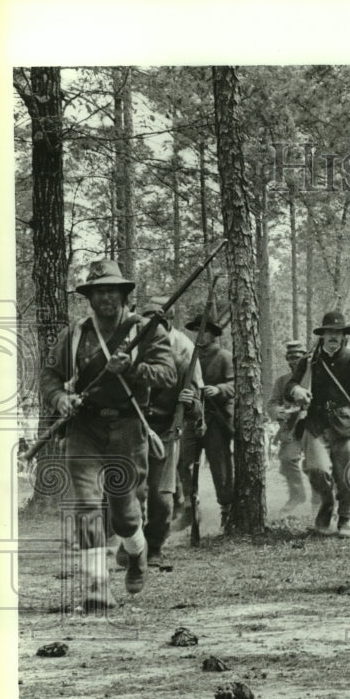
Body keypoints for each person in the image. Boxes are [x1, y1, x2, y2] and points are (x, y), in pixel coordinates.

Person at [40, 260, 176, 612]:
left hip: (129, 429)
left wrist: (133, 367)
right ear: (89, 297)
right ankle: (97, 588)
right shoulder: (74, 335)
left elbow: (167, 375)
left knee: (125, 516)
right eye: (99, 291)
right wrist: (60, 398)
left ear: (124, 295)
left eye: (112, 291)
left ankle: (136, 554)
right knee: (85, 506)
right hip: (85, 428)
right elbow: (51, 375)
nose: (106, 298)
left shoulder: (144, 331)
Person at [117, 296, 204, 568]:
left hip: (165, 433)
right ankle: (131, 544)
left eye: (160, 323)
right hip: (133, 432)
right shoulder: (129, 357)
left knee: (161, 498)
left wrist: (190, 405)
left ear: (168, 325)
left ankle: (154, 546)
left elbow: (196, 408)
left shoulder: (183, 357)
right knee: (131, 493)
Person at [288, 311, 350, 537]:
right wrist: (297, 390)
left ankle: (345, 517)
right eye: (329, 332)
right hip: (316, 423)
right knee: (316, 469)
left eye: (338, 332)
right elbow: (291, 385)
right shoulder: (309, 361)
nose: (333, 336)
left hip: (345, 424)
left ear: (344, 336)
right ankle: (327, 504)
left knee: (345, 476)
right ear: (322, 336)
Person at [178, 304, 235, 532]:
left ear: (213, 333)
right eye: (196, 331)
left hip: (215, 419)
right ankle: (191, 509)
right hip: (192, 419)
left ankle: (226, 511)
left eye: (205, 331)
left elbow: (235, 384)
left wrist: (219, 389)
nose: (200, 336)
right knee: (184, 463)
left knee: (220, 467)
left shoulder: (224, 357)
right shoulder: (187, 357)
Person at [268, 340, 311, 514]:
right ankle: (297, 495)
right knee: (286, 459)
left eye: (299, 357)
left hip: (313, 425)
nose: (295, 361)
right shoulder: (282, 381)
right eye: (291, 357)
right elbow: (271, 403)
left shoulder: (313, 377)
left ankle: (324, 499)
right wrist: (279, 412)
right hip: (291, 427)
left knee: (317, 464)